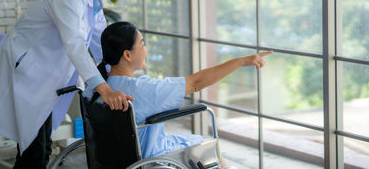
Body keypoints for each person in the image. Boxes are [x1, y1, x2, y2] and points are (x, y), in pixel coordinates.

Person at [0, 0, 136, 169]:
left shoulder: (93, 5)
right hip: (26, 76)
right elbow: (75, 46)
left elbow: (101, 47)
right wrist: (105, 90)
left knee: (41, 149)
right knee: (35, 151)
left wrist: (122, 76)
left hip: (42, 81)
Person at [83, 21, 273, 168]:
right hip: (152, 157)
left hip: (113, 159)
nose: (146, 49)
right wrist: (239, 62)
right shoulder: (142, 90)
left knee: (196, 140)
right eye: (142, 44)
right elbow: (196, 83)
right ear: (127, 55)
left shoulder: (96, 88)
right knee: (207, 146)